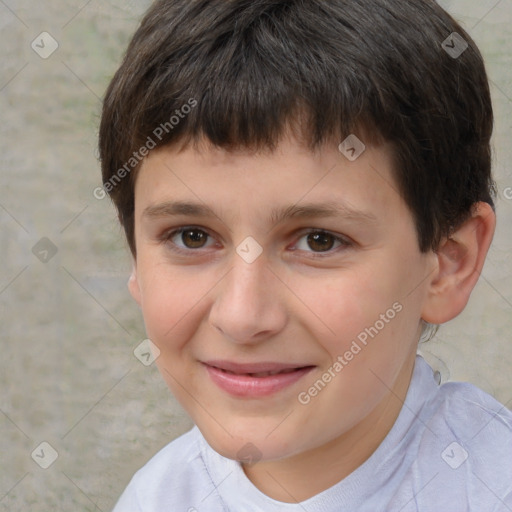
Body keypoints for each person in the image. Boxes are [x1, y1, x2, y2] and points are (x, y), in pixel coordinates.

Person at [98, 0, 512, 510]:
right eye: (192, 237)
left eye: (319, 240)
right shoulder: (156, 498)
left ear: (449, 264)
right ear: (136, 260)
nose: (242, 316)